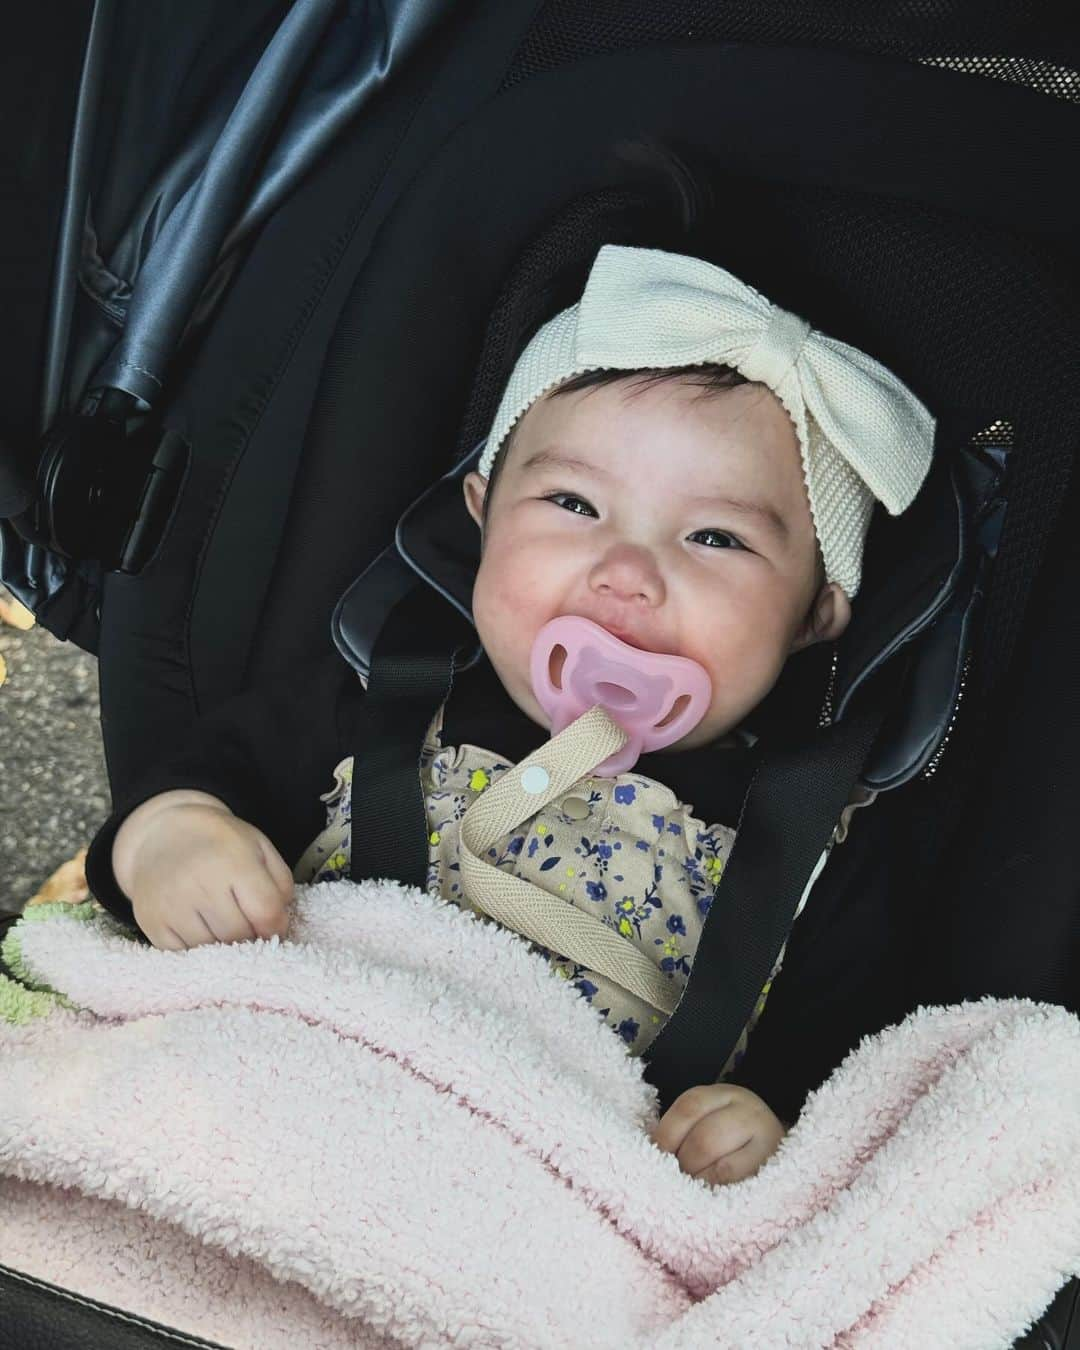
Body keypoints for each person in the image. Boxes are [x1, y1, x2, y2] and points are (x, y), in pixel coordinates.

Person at [84, 244, 934, 1186]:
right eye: (574, 503)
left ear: (815, 612)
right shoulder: (382, 705)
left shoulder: (811, 846)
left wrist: (768, 1131)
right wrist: (170, 840)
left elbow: (852, 1076)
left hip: (547, 1205)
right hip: (272, 1118)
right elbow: (188, 786)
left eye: (715, 538)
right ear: (482, 513)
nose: (628, 571)